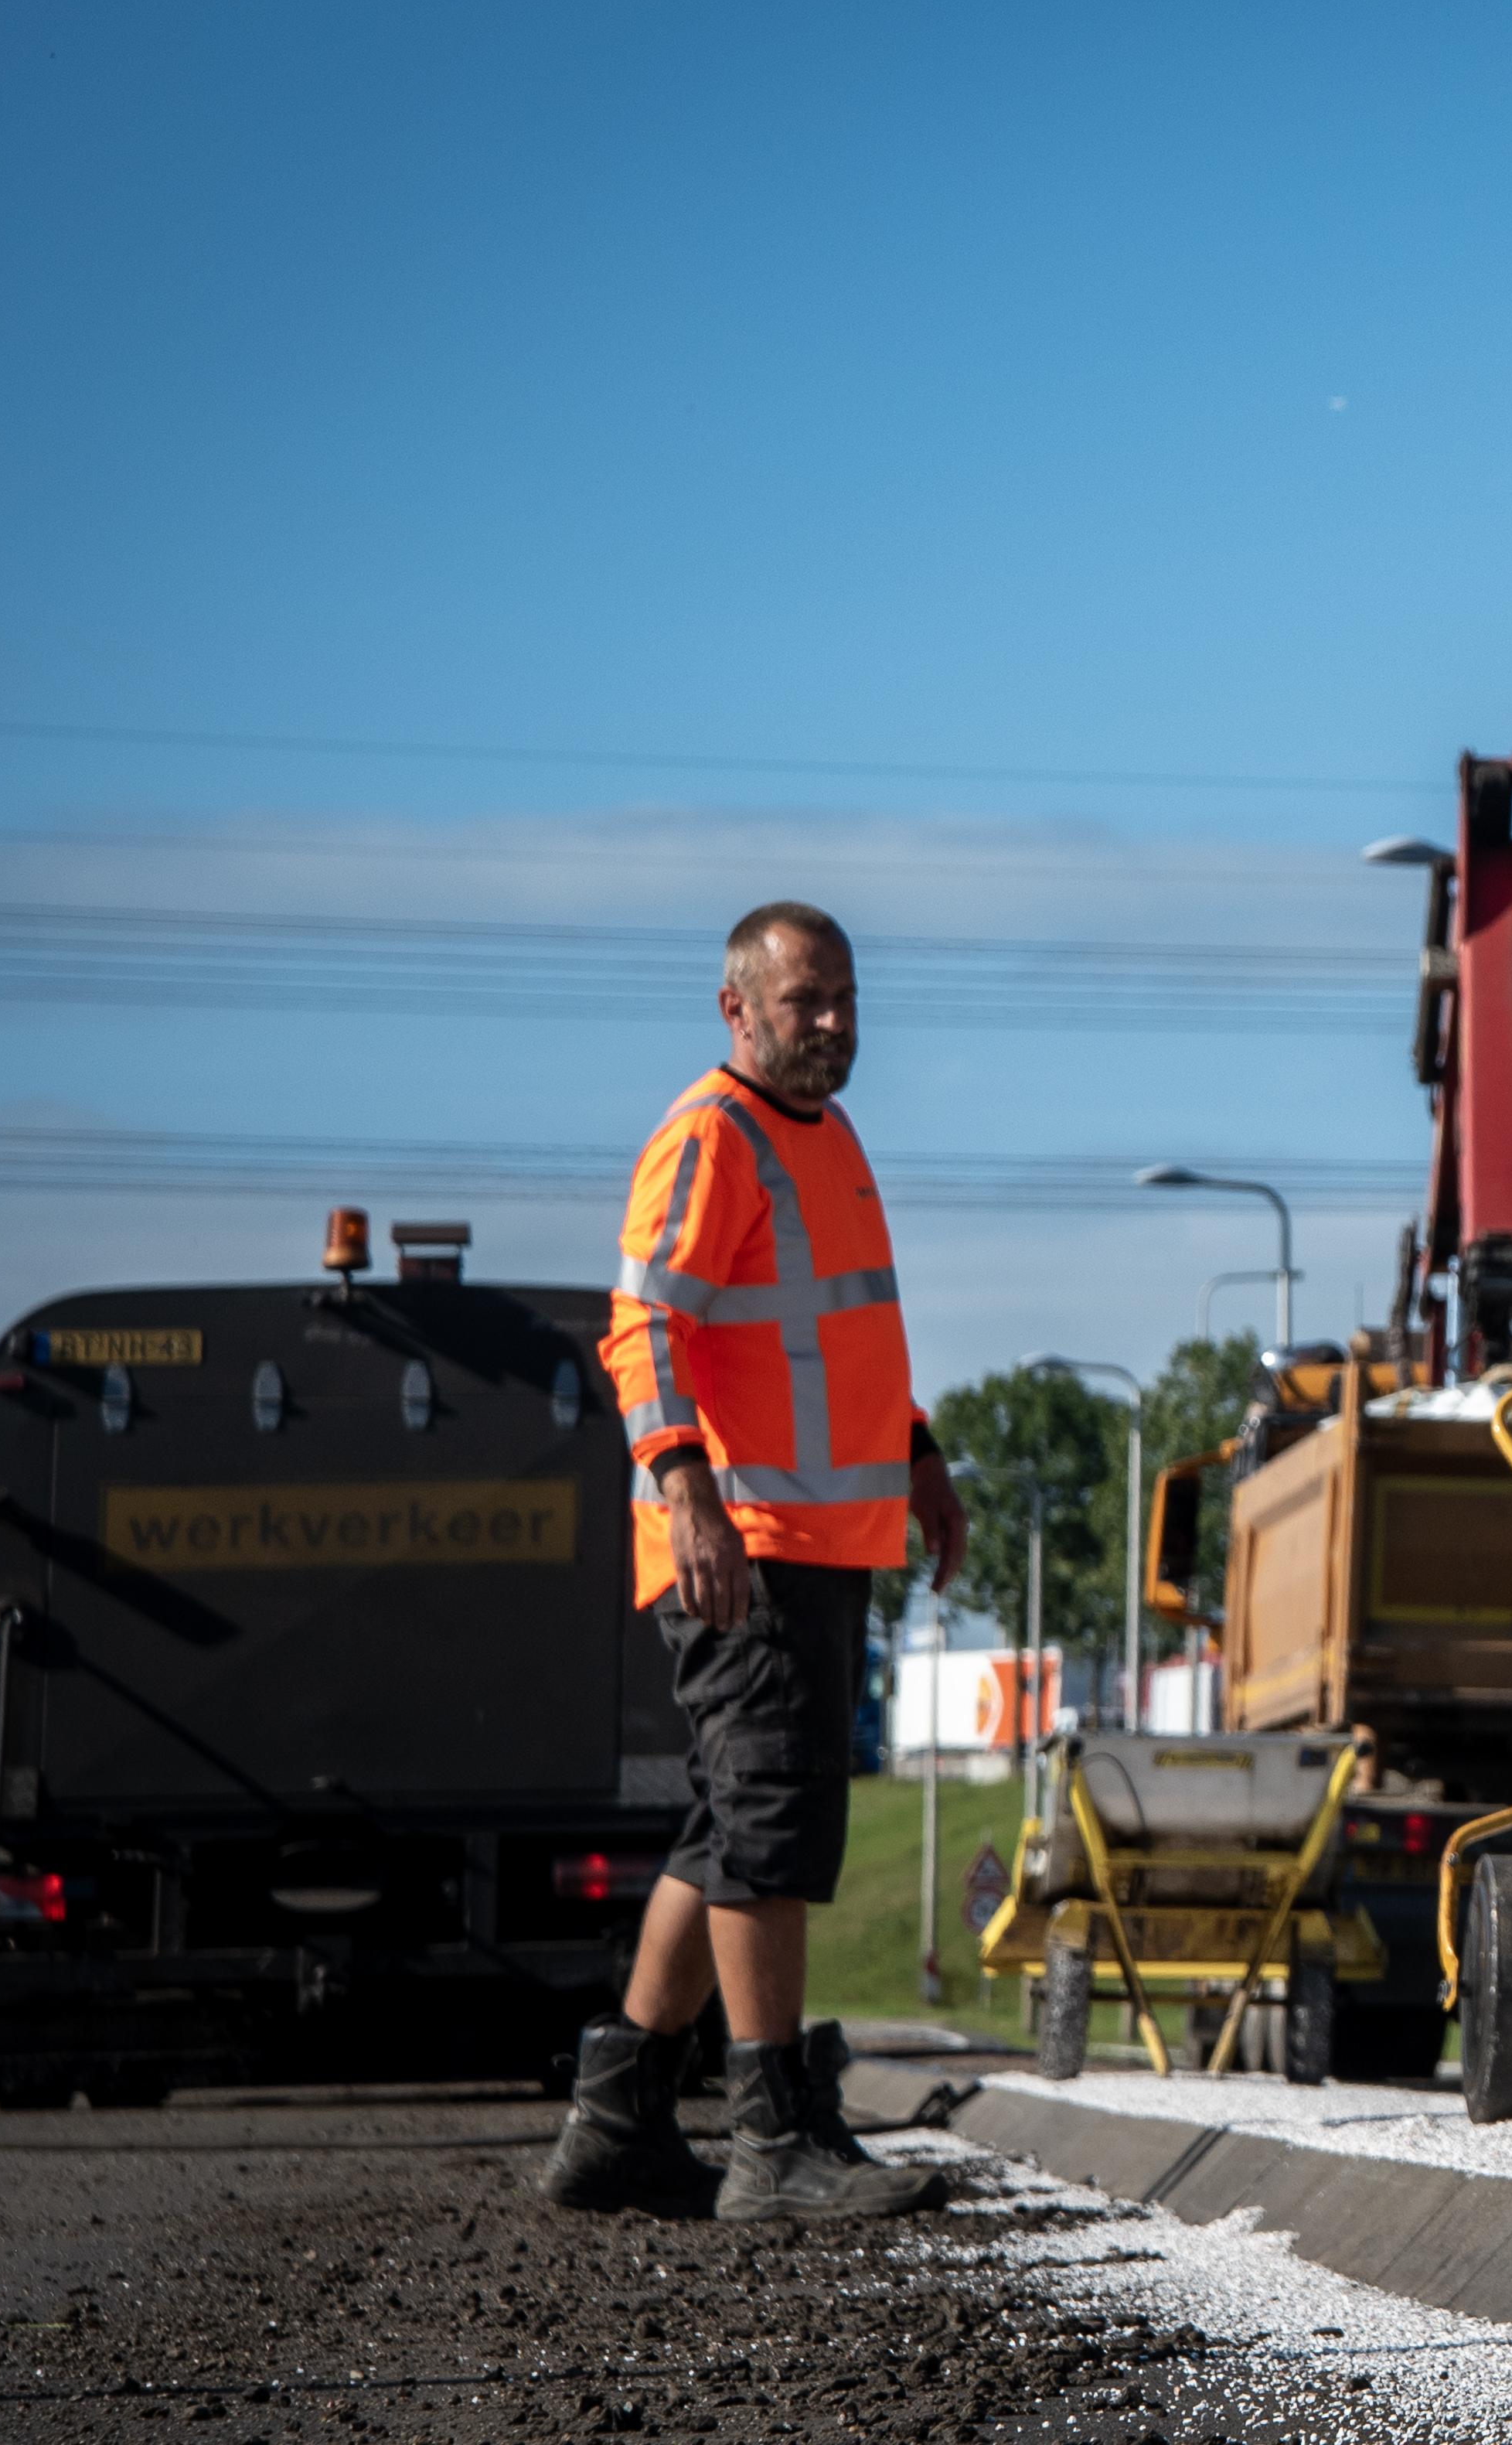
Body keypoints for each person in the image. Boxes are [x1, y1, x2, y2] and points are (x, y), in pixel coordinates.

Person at [541, 902, 965, 2222]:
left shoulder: (827, 1142)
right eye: (806, 1004)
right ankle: (773, 2137)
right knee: (771, 1832)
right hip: (745, 1546)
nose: (836, 1023)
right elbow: (642, 1328)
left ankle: (618, 2123)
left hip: (819, 1539)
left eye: (846, 997)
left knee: (730, 1826)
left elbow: (841, 1343)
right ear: (737, 1010)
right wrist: (689, 1492)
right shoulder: (709, 1136)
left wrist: (921, 1456)